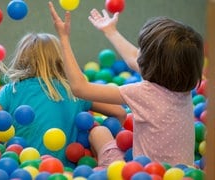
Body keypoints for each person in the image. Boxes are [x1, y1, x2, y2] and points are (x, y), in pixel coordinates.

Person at [48, 1, 204, 167]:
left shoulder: (144, 93)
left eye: (142, 50)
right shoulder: (184, 85)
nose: (138, 53)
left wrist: (63, 38)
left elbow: (80, 88)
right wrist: (110, 31)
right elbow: (133, 58)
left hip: (143, 175)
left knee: (99, 132)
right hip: (183, 173)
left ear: (150, 63)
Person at [0, 32, 126, 167]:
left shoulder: (12, 90)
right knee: (99, 131)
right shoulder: (75, 90)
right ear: (61, 59)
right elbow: (120, 112)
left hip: (21, 169)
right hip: (66, 171)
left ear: (22, 59)